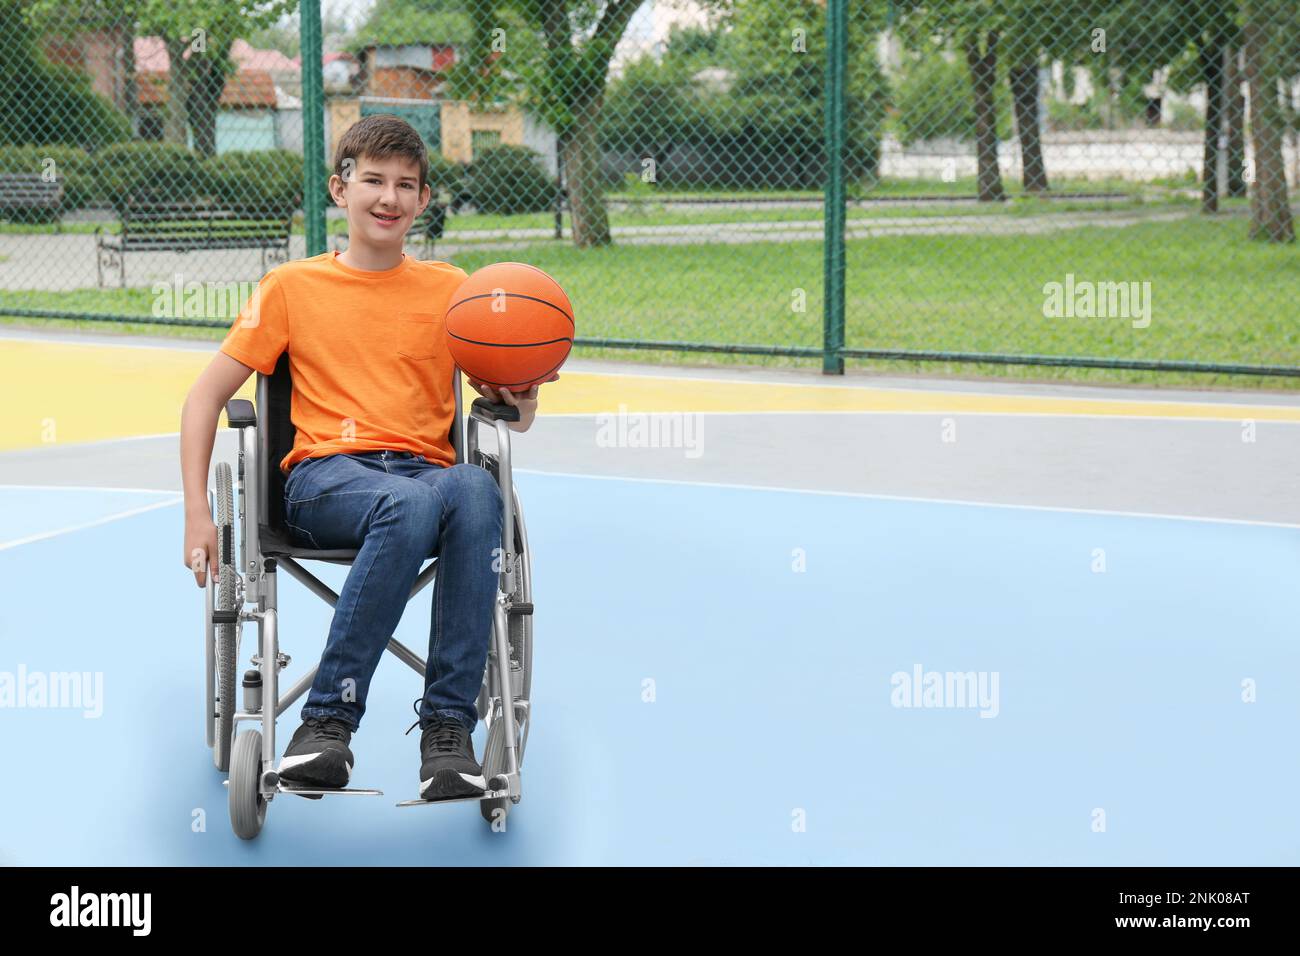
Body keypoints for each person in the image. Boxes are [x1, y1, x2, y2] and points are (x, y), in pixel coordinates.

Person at [179, 114, 557, 800]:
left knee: (475, 488)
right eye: (374, 181)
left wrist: (523, 391)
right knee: (414, 500)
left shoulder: (454, 293)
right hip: (325, 481)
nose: (389, 197)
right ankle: (326, 723)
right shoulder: (290, 288)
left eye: (405, 185)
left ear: (422, 200)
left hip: (425, 479)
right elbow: (203, 399)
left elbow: (512, 415)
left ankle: (449, 733)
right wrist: (198, 514)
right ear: (340, 188)